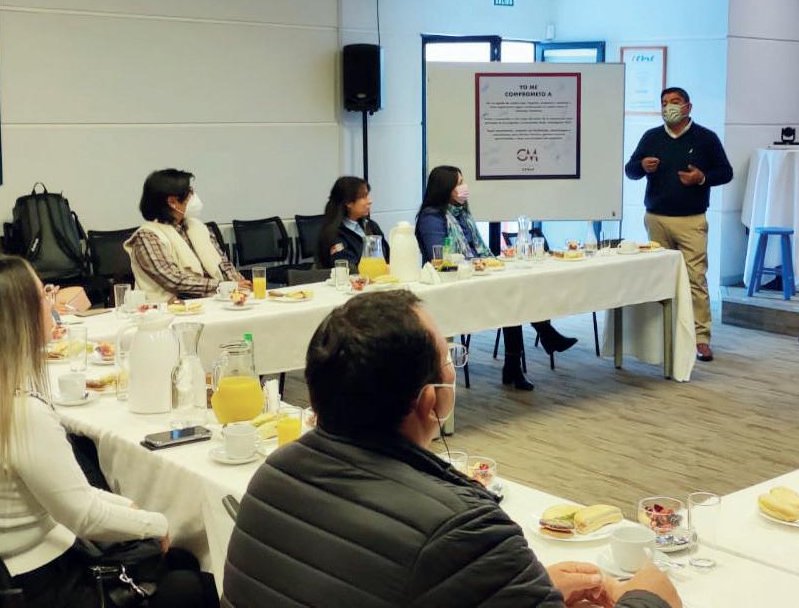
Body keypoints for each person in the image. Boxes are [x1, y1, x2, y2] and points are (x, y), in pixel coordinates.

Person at [222, 291, 680, 608]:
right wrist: (648, 595)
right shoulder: (464, 529)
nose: (452, 369)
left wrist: (525, 590)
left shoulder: (274, 475)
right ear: (431, 402)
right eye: (447, 359)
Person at [0, 254, 212, 607]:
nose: (51, 303)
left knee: (173, 559)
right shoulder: (20, 414)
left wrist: (128, 508)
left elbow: (59, 491)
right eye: (43, 296)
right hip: (40, 585)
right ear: (16, 318)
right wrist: (157, 524)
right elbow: (83, 516)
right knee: (192, 582)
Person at [415, 165, 576, 391]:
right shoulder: (431, 218)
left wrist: (489, 260)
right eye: (459, 183)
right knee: (510, 295)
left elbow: (476, 249)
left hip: (475, 276)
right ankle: (538, 344)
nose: (464, 187)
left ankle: (517, 363)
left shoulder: (461, 214)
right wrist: (476, 263)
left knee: (512, 291)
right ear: (445, 188)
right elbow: (439, 257)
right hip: (453, 285)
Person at [625, 87, 733, 362]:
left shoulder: (706, 138)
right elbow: (630, 170)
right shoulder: (651, 137)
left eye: (675, 102)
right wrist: (642, 166)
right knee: (660, 278)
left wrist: (701, 178)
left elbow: (726, 172)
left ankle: (700, 338)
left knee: (695, 279)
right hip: (657, 218)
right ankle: (664, 334)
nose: (668, 107)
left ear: (688, 107)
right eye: (664, 103)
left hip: (691, 220)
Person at [125, 168, 249, 302]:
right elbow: (173, 280)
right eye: (189, 192)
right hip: (171, 308)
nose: (194, 196)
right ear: (172, 202)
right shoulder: (147, 236)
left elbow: (222, 264)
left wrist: (240, 283)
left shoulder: (197, 226)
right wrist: (223, 286)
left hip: (215, 300)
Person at [316, 176, 389, 269]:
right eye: (363, 197)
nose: (370, 201)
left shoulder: (370, 225)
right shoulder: (334, 235)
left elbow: (388, 255)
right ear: (348, 202)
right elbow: (349, 268)